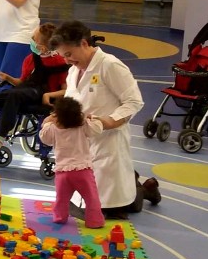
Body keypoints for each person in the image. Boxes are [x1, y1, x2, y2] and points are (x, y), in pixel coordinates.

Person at [49, 20, 161, 220]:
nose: (66, 60)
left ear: (84, 43)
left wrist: (108, 121)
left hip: (109, 141)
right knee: (83, 203)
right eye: (63, 56)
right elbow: (72, 101)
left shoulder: (110, 65)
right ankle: (134, 182)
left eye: (69, 54)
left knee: (110, 207)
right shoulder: (73, 71)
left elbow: (134, 101)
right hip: (82, 144)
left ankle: (146, 189)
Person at [0, 23, 69, 160]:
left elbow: (66, 91)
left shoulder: (60, 62)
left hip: (41, 93)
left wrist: (49, 95)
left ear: (42, 47)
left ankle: (2, 134)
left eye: (33, 38)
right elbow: (22, 82)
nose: (31, 40)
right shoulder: (30, 59)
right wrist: (7, 77)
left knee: (14, 95)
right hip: (25, 90)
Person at [39, 97, 105, 229]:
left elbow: (44, 138)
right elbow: (98, 128)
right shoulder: (83, 126)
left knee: (61, 199)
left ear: (57, 115)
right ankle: (95, 221)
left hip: (62, 172)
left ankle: (59, 217)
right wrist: (90, 117)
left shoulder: (53, 128)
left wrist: (47, 121)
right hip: (82, 171)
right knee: (91, 198)